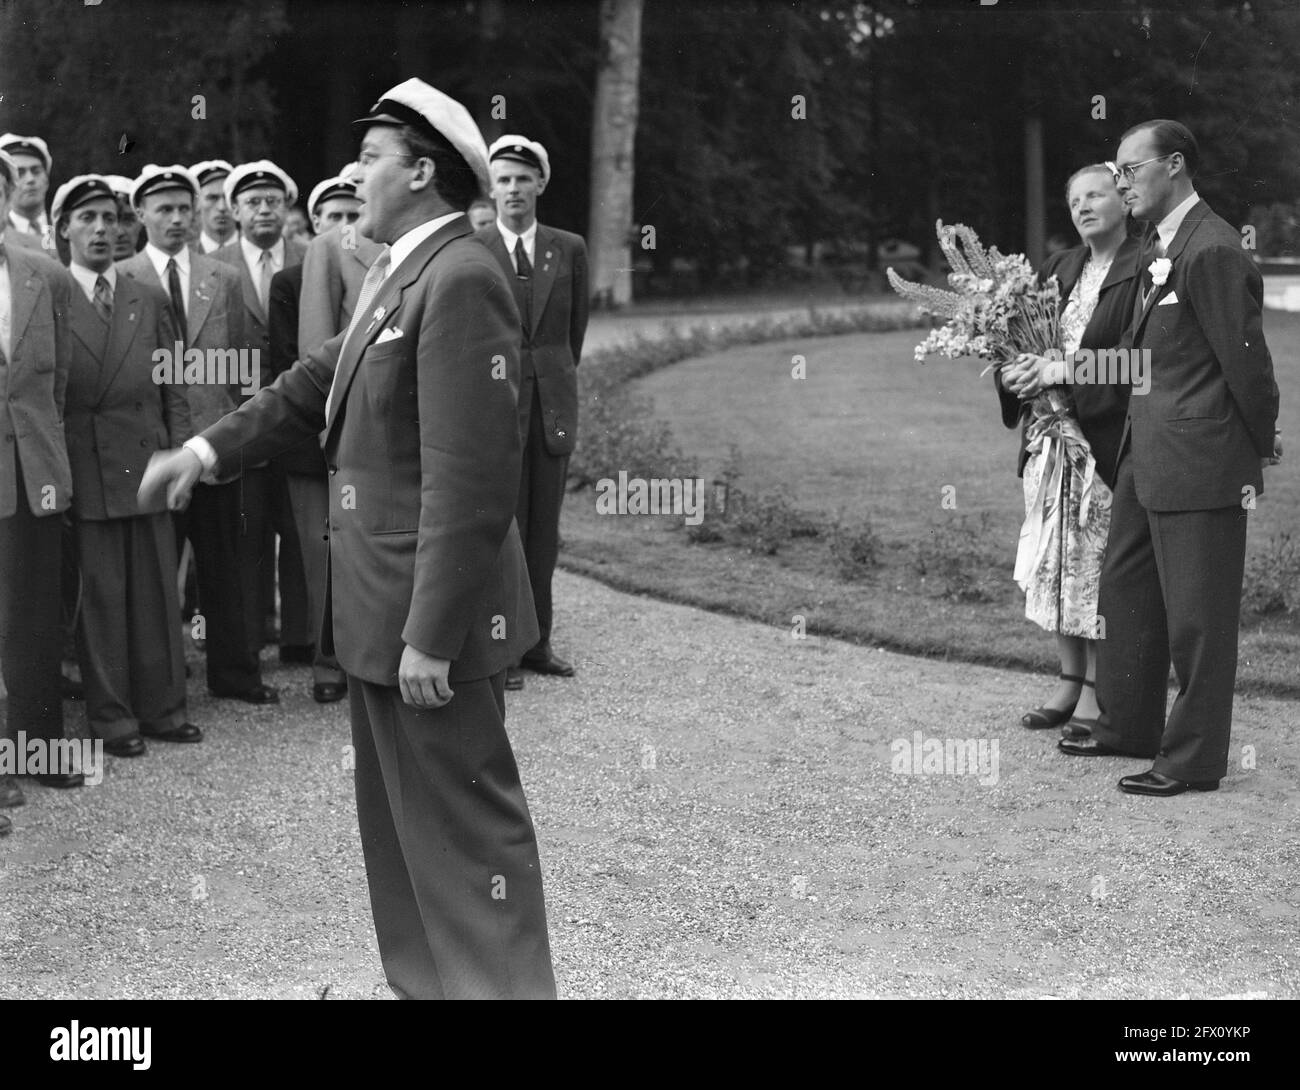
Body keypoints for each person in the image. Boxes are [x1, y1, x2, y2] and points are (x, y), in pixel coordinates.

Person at [139, 78, 555, 998]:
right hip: (380, 607)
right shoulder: (400, 266)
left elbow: (475, 482)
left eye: (371, 156)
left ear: (420, 170)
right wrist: (206, 447)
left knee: (468, 833)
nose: (354, 172)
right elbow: (309, 385)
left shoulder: (462, 277)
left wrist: (432, 633)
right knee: (402, 832)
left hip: (423, 621)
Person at [1058, 120, 1281, 796]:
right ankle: (1127, 724)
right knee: (1125, 591)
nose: (1120, 182)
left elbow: (1247, 365)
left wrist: (1256, 443)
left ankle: (1191, 759)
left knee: (1197, 616)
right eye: (1117, 171)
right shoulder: (1159, 245)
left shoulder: (1211, 249)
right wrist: (1058, 368)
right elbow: (1144, 358)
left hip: (1198, 458)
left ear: (1174, 166)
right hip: (1143, 452)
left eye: (1132, 168)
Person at [117, 164, 275, 705]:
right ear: (140, 215)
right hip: (152, 446)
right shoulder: (124, 275)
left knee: (225, 566)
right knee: (156, 570)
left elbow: (241, 364)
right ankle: (160, 683)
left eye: (185, 208)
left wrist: (233, 428)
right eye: (164, 209)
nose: (178, 219)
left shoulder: (221, 277)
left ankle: (234, 674)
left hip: (213, 441)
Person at [53, 175, 199, 758]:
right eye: (86, 218)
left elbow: (174, 383)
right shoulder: (52, 291)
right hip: (86, 464)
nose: (101, 230)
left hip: (148, 460)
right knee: (104, 598)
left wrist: (184, 451)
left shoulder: (148, 296)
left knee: (158, 593)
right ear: (63, 228)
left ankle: (164, 708)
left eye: (110, 219)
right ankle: (113, 720)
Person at [997, 165, 1140, 739]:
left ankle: (1099, 692)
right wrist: (1014, 376)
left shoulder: (1145, 270)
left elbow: (1140, 364)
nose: (1083, 206)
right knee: (1056, 559)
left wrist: (1063, 371)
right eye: (1074, 198)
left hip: (1105, 444)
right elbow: (1022, 341)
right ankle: (1068, 679)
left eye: (1096, 195)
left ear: (1125, 202)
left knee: (1094, 565)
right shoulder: (1059, 268)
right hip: (1050, 440)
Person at [478, 134, 589, 690]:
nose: (514, 189)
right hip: (496, 412)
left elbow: (573, 336)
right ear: (491, 188)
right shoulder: (475, 248)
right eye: (504, 179)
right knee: (502, 530)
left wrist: (553, 386)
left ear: (540, 183)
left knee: (544, 532)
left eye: (524, 178)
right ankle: (503, 648)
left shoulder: (567, 248)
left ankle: (539, 643)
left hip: (552, 411)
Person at [0, 149, 85, 819]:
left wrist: (46, 455)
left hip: (34, 474)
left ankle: (36, 748)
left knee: (34, 616)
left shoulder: (43, 275)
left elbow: (55, 384)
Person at [215, 161, 311, 664]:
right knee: (248, 529)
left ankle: (300, 638)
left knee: (298, 527)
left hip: (298, 419)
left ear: (287, 206)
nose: (264, 209)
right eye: (253, 201)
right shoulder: (215, 263)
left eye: (274, 200)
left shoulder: (312, 258)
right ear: (234, 210)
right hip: (243, 417)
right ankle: (248, 640)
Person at [0, 134, 53, 252]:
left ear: (47, 180)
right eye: (20, 172)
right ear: (8, 186)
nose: (30, 179)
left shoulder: (63, 229)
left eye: (36, 171)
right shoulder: (2, 234)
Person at [191, 160, 236, 254]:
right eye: (212, 198)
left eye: (226, 197)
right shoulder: (185, 254)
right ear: (196, 204)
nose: (222, 207)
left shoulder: (259, 250)